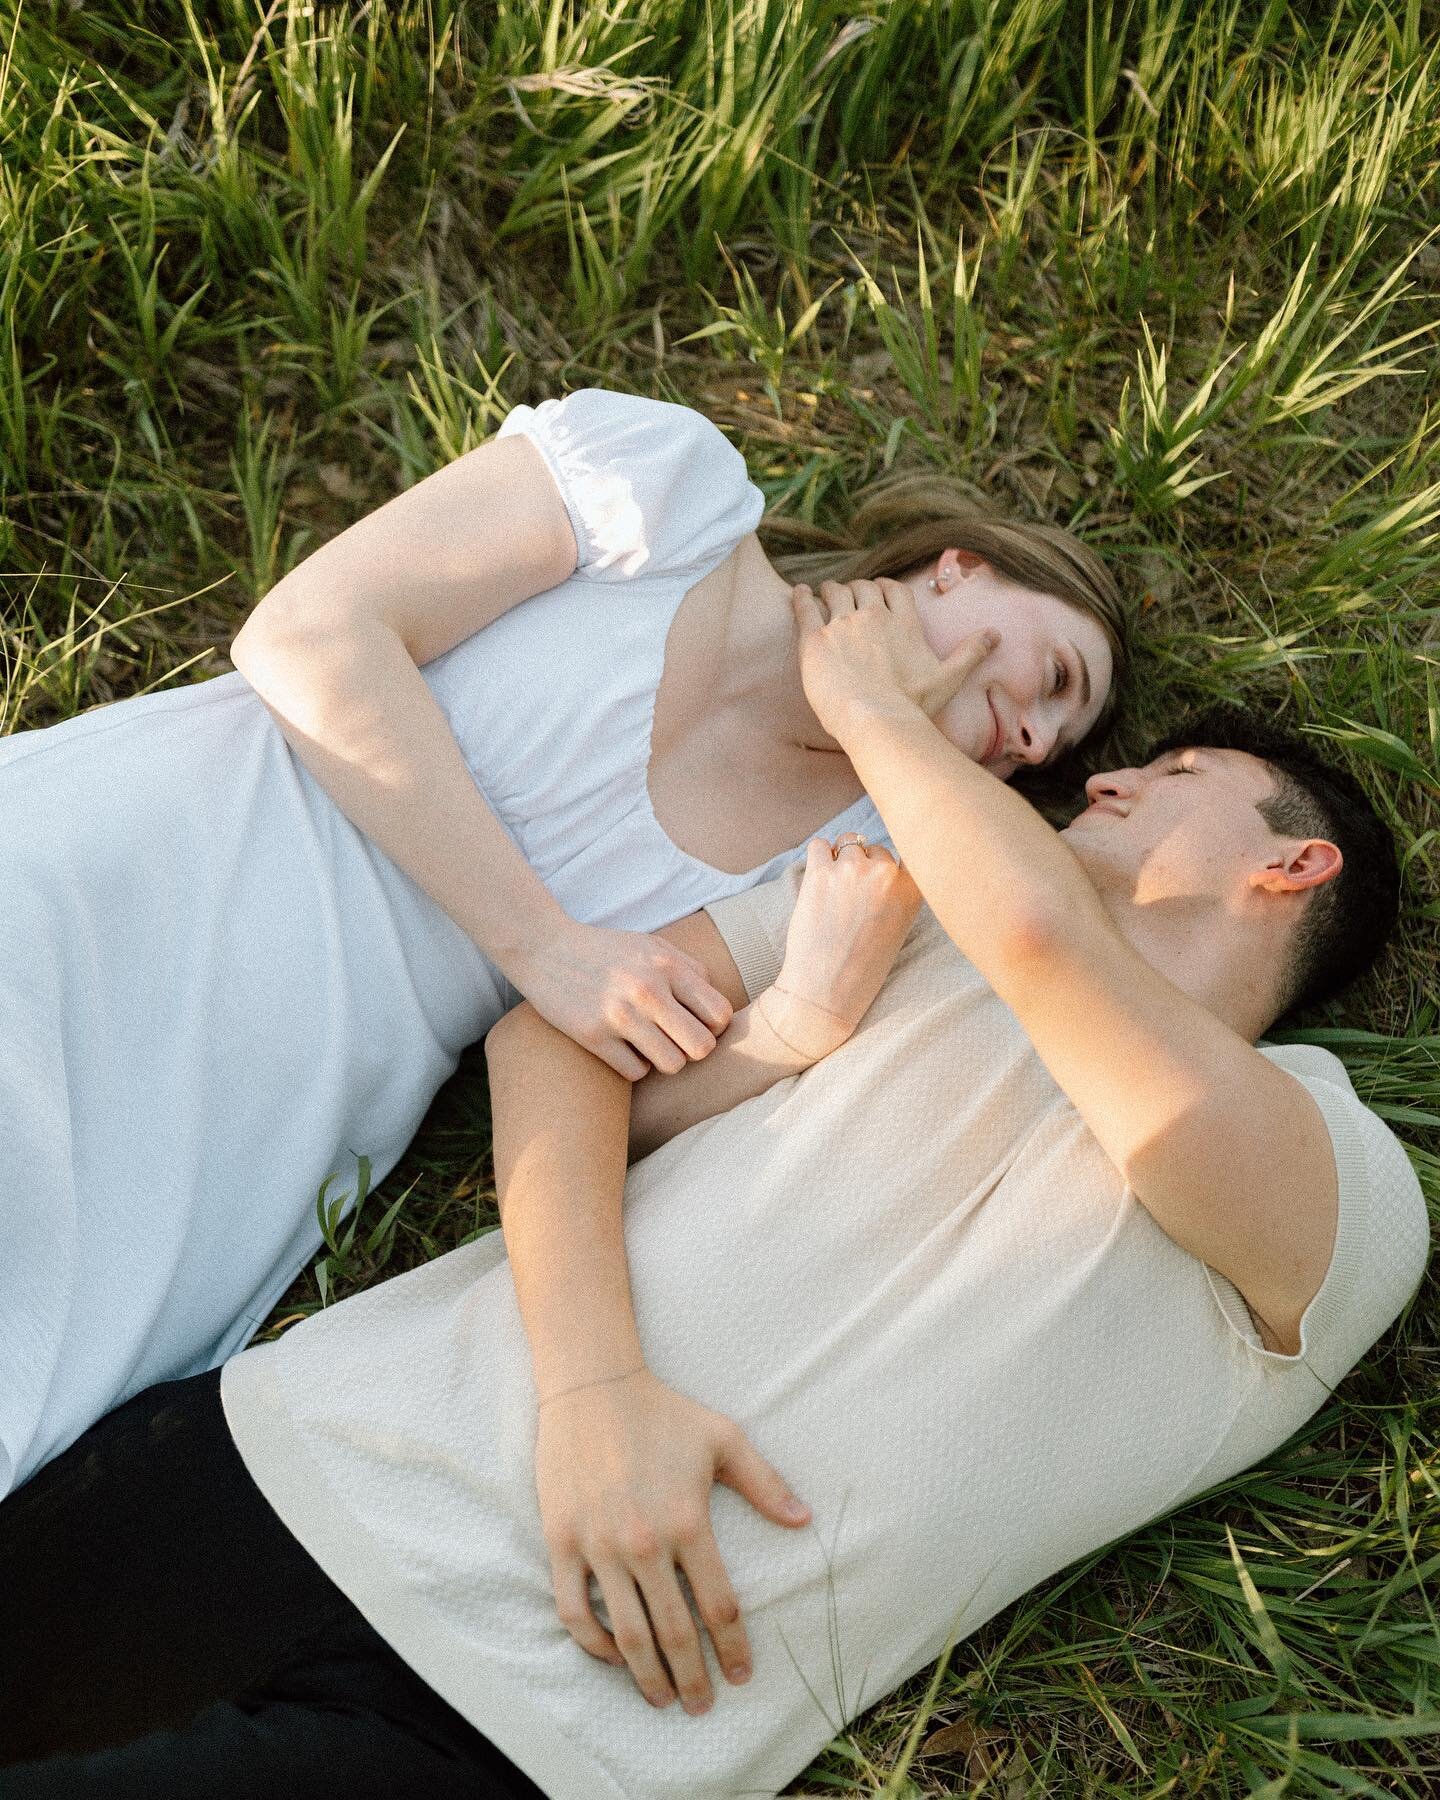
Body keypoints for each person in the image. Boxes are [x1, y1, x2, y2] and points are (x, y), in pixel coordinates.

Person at [0, 582, 1427, 1800]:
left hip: (540, 1727)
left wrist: (878, 713)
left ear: (1292, 866)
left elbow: (1046, 939)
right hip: (299, 1460)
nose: (1104, 778)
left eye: (1170, 781)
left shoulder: (1345, 1188)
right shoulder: (889, 908)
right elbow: (558, 1040)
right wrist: (595, 1387)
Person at [0, 385, 1130, 1501]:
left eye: (1048, 750)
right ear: (961, 568)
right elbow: (307, 634)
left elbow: (608, 1091)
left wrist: (794, 1031)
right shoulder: (667, 495)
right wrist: (542, 943)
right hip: (152, 855)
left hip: (280, 1095)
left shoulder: (847, 866)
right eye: (1056, 680)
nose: (1031, 735)